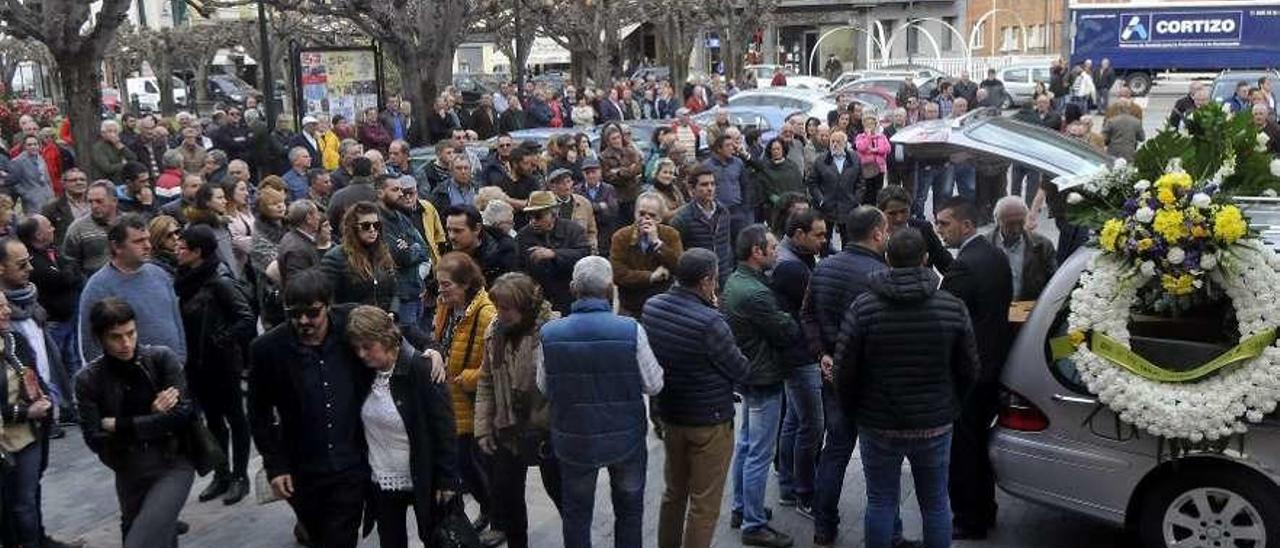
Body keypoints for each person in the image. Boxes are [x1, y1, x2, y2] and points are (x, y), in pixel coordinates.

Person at [834, 227, 979, 548]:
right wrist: (952, 404)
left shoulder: (864, 308)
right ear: (926, 259)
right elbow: (970, 368)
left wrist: (853, 409)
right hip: (935, 423)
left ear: (887, 258)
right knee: (936, 502)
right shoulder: (951, 306)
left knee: (881, 501)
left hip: (879, 423)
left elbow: (844, 370)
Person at [539, 257, 663, 548]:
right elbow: (654, 384)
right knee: (629, 511)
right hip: (626, 440)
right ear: (610, 288)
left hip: (574, 440)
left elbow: (544, 386)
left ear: (572, 288)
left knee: (576, 514)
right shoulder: (631, 330)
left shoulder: (550, 334)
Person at [801, 206, 903, 547]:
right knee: (883, 462)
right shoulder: (882, 274)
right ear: (876, 233)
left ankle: (823, 527)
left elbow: (808, 316)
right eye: (885, 230)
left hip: (834, 377)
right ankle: (892, 532)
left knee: (835, 451)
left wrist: (822, 355)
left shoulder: (824, 267)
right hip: (870, 383)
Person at [249, 269, 372, 548]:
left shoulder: (350, 324)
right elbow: (259, 414)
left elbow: (391, 330)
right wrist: (275, 466)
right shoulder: (267, 350)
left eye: (312, 313)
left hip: (350, 465)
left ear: (328, 306)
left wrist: (429, 349)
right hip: (303, 471)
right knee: (319, 536)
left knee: (340, 538)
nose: (303, 320)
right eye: (294, 313)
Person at [643, 248, 749, 548]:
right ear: (706, 281)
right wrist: (714, 312)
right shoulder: (710, 322)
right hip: (709, 421)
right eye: (714, 280)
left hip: (671, 415)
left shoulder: (653, 306)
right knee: (704, 504)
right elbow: (739, 368)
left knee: (673, 493)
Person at [74, 298, 195, 548]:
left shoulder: (161, 359)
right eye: (115, 337)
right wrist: (153, 415)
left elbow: (182, 415)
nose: (126, 343)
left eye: (131, 333)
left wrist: (120, 425)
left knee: (140, 540)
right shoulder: (89, 380)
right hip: (129, 469)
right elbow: (95, 438)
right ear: (99, 339)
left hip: (173, 461)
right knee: (151, 534)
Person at [345, 305, 461, 548]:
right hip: (382, 478)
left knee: (436, 538)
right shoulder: (363, 373)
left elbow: (444, 429)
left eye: (368, 347)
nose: (362, 354)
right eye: (357, 348)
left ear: (386, 339)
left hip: (422, 476)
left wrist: (447, 479)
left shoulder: (421, 369)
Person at [933, 197, 1013, 540]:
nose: (939, 230)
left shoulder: (964, 266)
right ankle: (986, 508)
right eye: (936, 223)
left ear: (966, 225)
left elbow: (944, 320)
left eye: (944, 223)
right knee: (978, 443)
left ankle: (968, 518)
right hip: (994, 364)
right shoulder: (994, 254)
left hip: (969, 372)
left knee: (964, 448)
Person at [721, 225, 801, 547]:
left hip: (748, 374)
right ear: (757, 251)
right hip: (764, 377)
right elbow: (786, 330)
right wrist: (788, 319)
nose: (777, 251)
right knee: (759, 452)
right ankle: (754, 524)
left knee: (746, 445)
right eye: (771, 246)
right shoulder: (757, 293)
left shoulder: (736, 280)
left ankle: (742, 507)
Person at [474, 272, 564, 548]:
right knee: (509, 500)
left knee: (564, 497)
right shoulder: (494, 331)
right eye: (497, 307)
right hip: (507, 429)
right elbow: (486, 381)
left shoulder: (553, 332)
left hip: (546, 433)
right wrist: (483, 428)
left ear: (526, 306)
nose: (500, 314)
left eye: (506, 308)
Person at [173, 225, 256, 506]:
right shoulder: (185, 278)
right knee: (213, 420)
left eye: (182, 247)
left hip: (222, 364)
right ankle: (222, 473)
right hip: (198, 365)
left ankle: (240, 477)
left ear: (198, 252)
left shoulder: (218, 279)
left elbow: (245, 317)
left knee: (236, 418)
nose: (177, 250)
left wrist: (220, 340)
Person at [429, 252, 501, 545]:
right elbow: (438, 338)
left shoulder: (486, 314)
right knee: (466, 470)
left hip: (472, 402)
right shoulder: (446, 307)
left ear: (466, 283)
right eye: (439, 284)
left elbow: (494, 366)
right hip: (450, 400)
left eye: (446, 285)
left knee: (480, 468)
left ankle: (500, 519)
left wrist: (464, 378)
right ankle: (487, 510)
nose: (441, 291)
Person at [771, 208, 826, 513]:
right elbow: (812, 310)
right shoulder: (792, 268)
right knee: (812, 427)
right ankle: (805, 492)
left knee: (794, 421)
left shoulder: (794, 257)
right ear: (799, 235)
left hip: (795, 354)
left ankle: (789, 487)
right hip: (800, 357)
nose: (824, 239)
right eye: (818, 234)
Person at [77, 214, 185, 366]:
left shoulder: (159, 274)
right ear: (117, 246)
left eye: (147, 239)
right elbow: (91, 343)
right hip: (131, 381)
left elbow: (176, 320)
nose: (148, 245)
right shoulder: (98, 287)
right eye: (139, 241)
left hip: (170, 372)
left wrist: (180, 360)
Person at [515, 191, 591, 315]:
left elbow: (584, 255)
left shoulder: (573, 230)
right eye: (530, 216)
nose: (533, 221)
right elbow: (518, 266)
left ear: (553, 214)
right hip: (539, 299)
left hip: (570, 297)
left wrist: (555, 254)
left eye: (538, 216)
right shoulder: (523, 236)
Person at [610, 192, 683, 317]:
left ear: (660, 218)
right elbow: (618, 273)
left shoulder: (671, 235)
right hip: (630, 305)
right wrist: (651, 277)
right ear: (635, 214)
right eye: (642, 214)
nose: (646, 219)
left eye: (652, 215)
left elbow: (679, 267)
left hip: (663, 305)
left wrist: (657, 243)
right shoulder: (621, 236)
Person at [321, 201, 398, 311]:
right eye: (366, 226)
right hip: (353, 323)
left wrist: (393, 312)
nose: (372, 230)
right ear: (353, 227)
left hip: (384, 322)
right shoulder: (335, 258)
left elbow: (394, 290)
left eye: (376, 225)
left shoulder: (383, 254)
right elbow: (328, 302)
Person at [377, 176, 430, 327]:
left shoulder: (401, 217)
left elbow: (424, 249)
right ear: (380, 193)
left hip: (415, 290)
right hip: (399, 296)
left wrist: (411, 248)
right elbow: (400, 257)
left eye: (400, 189)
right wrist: (411, 250)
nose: (401, 194)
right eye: (395, 190)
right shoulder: (377, 222)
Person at [670, 166, 733, 288]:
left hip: (724, 277)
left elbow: (726, 244)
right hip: (699, 283)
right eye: (704, 185)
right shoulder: (682, 219)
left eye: (712, 184)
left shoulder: (723, 212)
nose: (710, 189)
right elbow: (677, 255)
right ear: (692, 189)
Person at [989, 196, 1057, 302]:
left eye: (1021, 222)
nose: (1016, 229)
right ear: (998, 221)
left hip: (1029, 310)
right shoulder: (983, 246)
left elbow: (1053, 283)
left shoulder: (1043, 245)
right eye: (1010, 224)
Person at [877, 186, 951, 272]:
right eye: (892, 213)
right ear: (881, 212)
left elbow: (945, 262)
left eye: (903, 211)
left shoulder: (924, 229)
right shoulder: (874, 234)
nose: (899, 218)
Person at [444, 204, 519, 286]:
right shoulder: (445, 250)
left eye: (458, 231)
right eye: (449, 230)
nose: (451, 236)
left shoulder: (503, 255)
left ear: (477, 229)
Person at [807, 130, 861, 242]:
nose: (835, 144)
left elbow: (861, 183)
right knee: (823, 241)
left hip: (847, 206)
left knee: (848, 240)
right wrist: (820, 199)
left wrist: (855, 200)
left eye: (838, 142)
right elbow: (812, 182)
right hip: (826, 207)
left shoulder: (855, 159)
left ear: (845, 143)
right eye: (832, 141)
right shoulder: (821, 160)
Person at [545, 168, 599, 254]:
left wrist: (592, 247)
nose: (567, 187)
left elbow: (591, 231)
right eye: (562, 183)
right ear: (553, 187)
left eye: (568, 181)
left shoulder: (584, 203)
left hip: (579, 249)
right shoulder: (546, 205)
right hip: (555, 251)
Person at [575, 158, 620, 257]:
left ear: (600, 172)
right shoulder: (577, 190)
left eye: (593, 172)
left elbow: (612, 211)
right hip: (585, 235)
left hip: (605, 234)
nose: (591, 175)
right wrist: (601, 206)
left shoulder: (609, 189)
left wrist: (588, 207)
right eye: (587, 173)